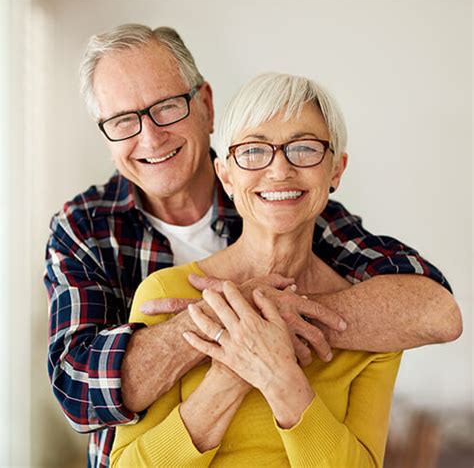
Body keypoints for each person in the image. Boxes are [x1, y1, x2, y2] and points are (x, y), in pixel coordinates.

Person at [44, 24, 461, 468]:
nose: (150, 137)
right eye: (123, 121)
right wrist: (228, 326)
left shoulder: (298, 211)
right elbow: (79, 391)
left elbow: (433, 308)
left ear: (204, 104)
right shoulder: (87, 227)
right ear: (229, 172)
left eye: (166, 107)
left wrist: (269, 317)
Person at [111, 72, 408, 466]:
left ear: (336, 170)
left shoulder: (376, 323)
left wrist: (277, 373)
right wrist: (233, 370)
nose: (280, 170)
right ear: (226, 175)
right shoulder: (165, 293)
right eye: (253, 151)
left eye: (303, 149)